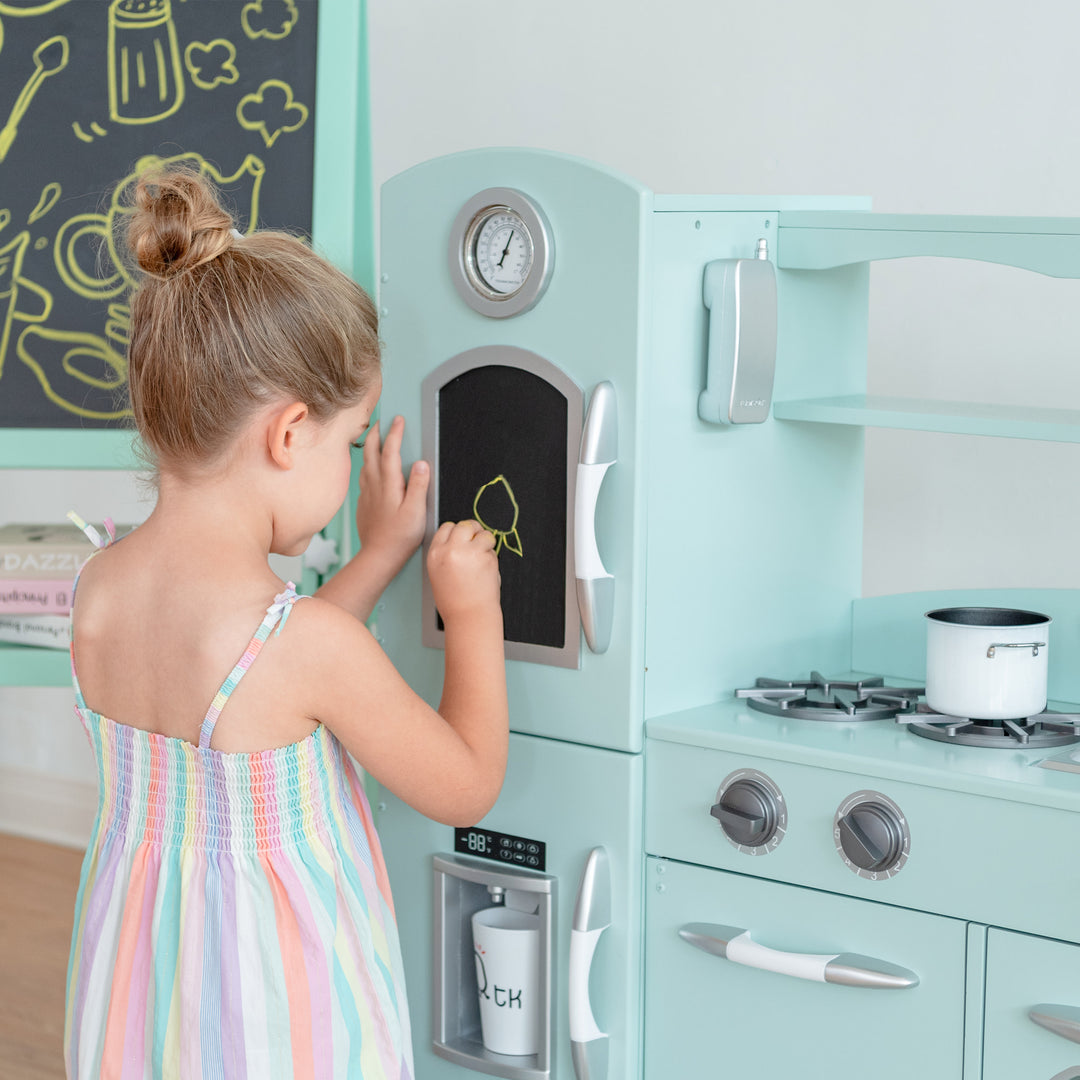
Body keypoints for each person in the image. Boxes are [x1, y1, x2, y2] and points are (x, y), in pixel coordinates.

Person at [63, 166, 508, 1079]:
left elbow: (269, 679)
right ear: (289, 433)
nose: (349, 465)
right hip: (278, 1025)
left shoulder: (98, 589)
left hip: (142, 1007)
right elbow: (464, 787)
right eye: (349, 443)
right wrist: (472, 613)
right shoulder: (308, 648)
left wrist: (376, 557)